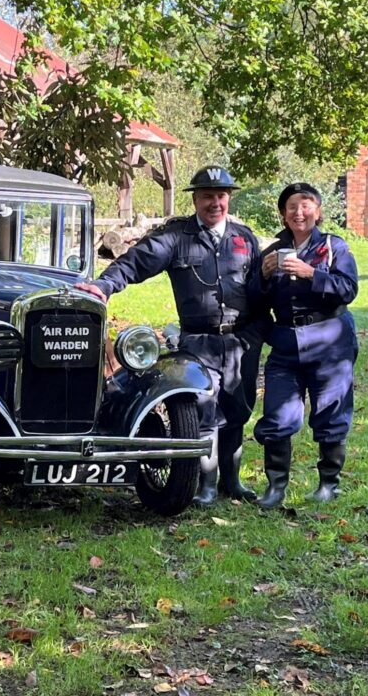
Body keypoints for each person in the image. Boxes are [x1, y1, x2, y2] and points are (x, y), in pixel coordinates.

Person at [76, 165, 271, 506]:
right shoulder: (176, 237)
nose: (215, 203)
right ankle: (206, 485)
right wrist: (103, 286)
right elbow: (135, 262)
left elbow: (260, 287)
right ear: (195, 199)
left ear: (229, 199)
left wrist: (261, 330)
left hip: (242, 341)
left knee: (238, 410)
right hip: (200, 342)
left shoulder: (245, 238)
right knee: (204, 409)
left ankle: (233, 482)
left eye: (221, 196)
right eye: (207, 196)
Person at [251, 182, 359, 509]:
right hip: (286, 344)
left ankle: (329, 484)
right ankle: (276, 487)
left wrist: (312, 273)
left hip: (330, 341)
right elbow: (254, 301)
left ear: (318, 210)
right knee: (277, 412)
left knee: (330, 410)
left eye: (307, 204)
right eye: (292, 207)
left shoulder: (334, 247)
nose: (300, 212)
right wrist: (264, 276)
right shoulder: (271, 252)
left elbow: (348, 289)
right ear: (283, 215)